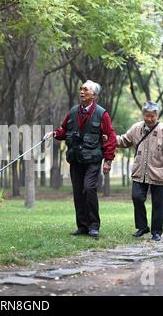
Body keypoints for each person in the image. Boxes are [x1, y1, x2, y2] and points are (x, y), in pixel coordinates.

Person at [44, 80, 117, 238]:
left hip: (93, 160)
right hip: (76, 159)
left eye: (85, 89)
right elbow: (65, 129)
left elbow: (110, 137)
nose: (82, 92)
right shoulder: (73, 111)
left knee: (89, 188)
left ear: (94, 95)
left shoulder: (102, 114)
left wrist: (108, 160)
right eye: (81, 89)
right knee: (78, 192)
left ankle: (94, 226)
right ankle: (82, 226)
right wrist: (54, 133)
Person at [115, 101, 163, 241]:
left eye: (152, 116)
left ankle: (156, 231)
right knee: (137, 197)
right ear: (143, 114)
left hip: (158, 173)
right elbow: (124, 140)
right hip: (139, 172)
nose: (149, 119)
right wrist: (110, 139)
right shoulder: (136, 128)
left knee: (158, 204)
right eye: (147, 115)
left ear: (157, 115)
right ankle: (142, 226)